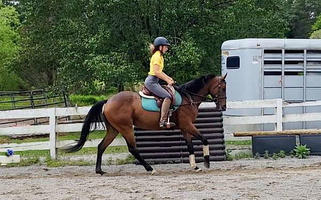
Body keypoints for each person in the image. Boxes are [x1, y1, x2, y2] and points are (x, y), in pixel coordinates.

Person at [144, 37, 176, 128]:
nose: (167, 48)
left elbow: (160, 71)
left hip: (155, 81)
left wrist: (169, 78)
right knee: (167, 96)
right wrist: (166, 80)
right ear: (160, 47)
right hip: (151, 82)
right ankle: (163, 121)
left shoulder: (160, 56)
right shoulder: (157, 56)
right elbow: (157, 72)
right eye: (166, 46)